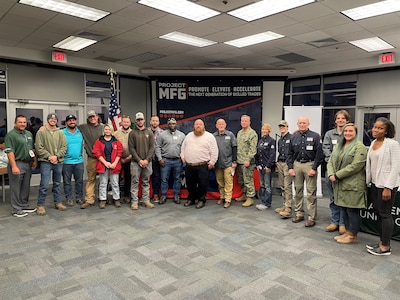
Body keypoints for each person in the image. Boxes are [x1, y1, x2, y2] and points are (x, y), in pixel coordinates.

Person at [327, 123, 367, 244]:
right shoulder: (339, 146)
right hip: (340, 184)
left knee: (352, 211)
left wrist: (337, 175)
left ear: (355, 133)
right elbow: (330, 162)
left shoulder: (359, 147)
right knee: (344, 208)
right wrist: (330, 174)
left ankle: (353, 235)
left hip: (352, 184)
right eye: (346, 131)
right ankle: (348, 233)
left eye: (351, 131)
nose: (348, 133)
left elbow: (356, 166)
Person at [365, 117, 400, 256]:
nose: (376, 130)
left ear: (386, 131)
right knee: (379, 213)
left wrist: (388, 187)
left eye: (380, 128)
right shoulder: (373, 142)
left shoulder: (392, 144)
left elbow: (396, 166)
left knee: (385, 215)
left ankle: (386, 247)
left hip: (386, 185)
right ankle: (381, 242)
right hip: (374, 184)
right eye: (375, 127)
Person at [287, 116, 324, 227]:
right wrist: (290, 167)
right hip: (297, 164)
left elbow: (319, 154)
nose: (302, 125)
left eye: (304, 123)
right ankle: (299, 213)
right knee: (297, 190)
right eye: (300, 123)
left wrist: (314, 168)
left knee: (311, 192)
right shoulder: (293, 137)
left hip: (310, 164)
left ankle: (311, 217)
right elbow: (289, 154)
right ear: (297, 124)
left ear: (308, 124)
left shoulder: (315, 136)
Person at [323, 110, 351, 233]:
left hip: (344, 171)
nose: (340, 120)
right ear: (335, 120)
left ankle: (342, 223)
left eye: (343, 119)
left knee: (343, 198)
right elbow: (326, 149)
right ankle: (334, 222)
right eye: (338, 118)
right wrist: (334, 163)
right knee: (333, 198)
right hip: (331, 170)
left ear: (347, 121)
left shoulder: (349, 134)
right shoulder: (329, 134)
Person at [181, 119, 218, 209]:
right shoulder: (189, 136)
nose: (198, 126)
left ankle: (201, 200)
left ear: (203, 126)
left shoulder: (209, 136)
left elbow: (214, 150)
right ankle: (191, 199)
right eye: (196, 124)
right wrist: (182, 156)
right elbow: (183, 147)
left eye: (200, 124)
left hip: (203, 165)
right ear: (193, 126)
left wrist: (212, 162)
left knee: (202, 184)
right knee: (190, 184)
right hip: (190, 165)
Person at [5, 115, 37, 217]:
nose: (23, 124)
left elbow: (32, 149)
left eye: (24, 122)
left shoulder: (28, 134)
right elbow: (10, 152)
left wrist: (35, 161)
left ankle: (24, 205)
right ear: (15, 123)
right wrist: (14, 166)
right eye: (20, 122)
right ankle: (16, 209)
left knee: (25, 186)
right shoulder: (11, 135)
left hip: (28, 163)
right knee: (16, 187)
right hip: (17, 162)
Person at [35, 113, 68, 216]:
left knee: (57, 184)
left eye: (55, 119)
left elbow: (64, 146)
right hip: (46, 162)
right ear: (48, 120)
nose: (53, 120)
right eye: (51, 119)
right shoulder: (41, 132)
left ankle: (58, 202)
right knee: (44, 184)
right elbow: (38, 147)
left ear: (56, 121)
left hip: (58, 161)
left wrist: (57, 156)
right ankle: (40, 205)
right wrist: (49, 156)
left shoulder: (60, 133)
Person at [92, 124, 123, 208]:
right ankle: (103, 199)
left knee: (115, 183)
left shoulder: (116, 141)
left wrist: (114, 163)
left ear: (112, 130)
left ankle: (116, 199)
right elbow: (96, 152)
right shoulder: (99, 141)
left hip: (114, 165)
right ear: (103, 130)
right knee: (103, 183)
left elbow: (120, 152)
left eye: (109, 129)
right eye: (106, 129)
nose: (107, 131)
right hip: (103, 164)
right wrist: (105, 162)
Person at [155, 118, 185, 205]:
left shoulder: (182, 135)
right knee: (164, 179)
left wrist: (182, 157)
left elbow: (184, 147)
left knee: (177, 179)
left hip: (177, 161)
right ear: (168, 125)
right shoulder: (162, 135)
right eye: (170, 124)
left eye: (174, 124)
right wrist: (160, 159)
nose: (172, 125)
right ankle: (163, 195)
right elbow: (157, 147)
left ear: (176, 124)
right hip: (165, 160)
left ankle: (176, 195)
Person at [128, 112, 155, 210]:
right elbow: (131, 148)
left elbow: (152, 147)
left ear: (144, 120)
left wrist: (147, 160)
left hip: (148, 162)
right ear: (136, 121)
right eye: (138, 120)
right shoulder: (132, 133)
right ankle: (134, 202)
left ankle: (146, 200)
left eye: (141, 119)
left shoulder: (149, 132)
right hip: (135, 162)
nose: (140, 121)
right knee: (134, 181)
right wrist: (139, 160)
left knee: (146, 181)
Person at [79, 110, 105, 209]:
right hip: (92, 158)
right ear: (88, 119)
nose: (92, 118)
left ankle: (103, 198)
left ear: (97, 116)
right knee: (91, 179)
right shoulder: (84, 127)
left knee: (104, 179)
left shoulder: (104, 128)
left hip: (103, 159)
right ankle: (89, 199)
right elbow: (70, 127)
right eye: (90, 117)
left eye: (93, 116)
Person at [213, 118, 237, 209]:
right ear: (216, 125)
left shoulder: (230, 135)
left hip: (228, 163)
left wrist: (234, 161)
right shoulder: (213, 136)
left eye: (222, 124)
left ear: (225, 125)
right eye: (219, 124)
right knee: (220, 182)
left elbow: (234, 148)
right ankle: (222, 197)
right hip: (218, 164)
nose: (221, 125)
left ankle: (227, 200)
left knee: (228, 182)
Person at [236, 115, 258, 207]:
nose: (244, 122)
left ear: (249, 122)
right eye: (242, 121)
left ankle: (250, 198)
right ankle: (244, 195)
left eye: (245, 121)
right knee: (241, 180)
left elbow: (253, 149)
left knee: (248, 180)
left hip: (247, 162)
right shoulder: (239, 133)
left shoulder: (252, 133)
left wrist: (248, 159)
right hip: (239, 161)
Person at [62, 114, 84, 206]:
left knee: (79, 181)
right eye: (70, 120)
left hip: (79, 161)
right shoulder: (62, 132)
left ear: (76, 121)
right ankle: (69, 198)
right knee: (67, 182)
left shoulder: (80, 131)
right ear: (66, 122)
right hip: (66, 162)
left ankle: (79, 197)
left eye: (73, 120)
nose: (72, 122)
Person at [275, 120, 293, 218]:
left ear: (287, 127)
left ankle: (288, 208)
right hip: (280, 163)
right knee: (282, 186)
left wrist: (291, 165)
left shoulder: (291, 138)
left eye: (283, 126)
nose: (282, 128)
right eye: (280, 126)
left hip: (287, 163)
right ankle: (284, 205)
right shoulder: (280, 140)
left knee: (287, 186)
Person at [255, 123, 276, 210]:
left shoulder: (271, 141)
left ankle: (267, 203)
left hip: (267, 167)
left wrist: (268, 166)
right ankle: (263, 202)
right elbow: (257, 154)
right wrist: (258, 164)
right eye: (263, 129)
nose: (264, 131)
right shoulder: (260, 141)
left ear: (269, 131)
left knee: (267, 185)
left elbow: (272, 155)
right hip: (261, 166)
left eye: (266, 129)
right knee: (262, 185)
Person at [115, 115, 132, 204]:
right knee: (116, 178)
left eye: (127, 122)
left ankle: (126, 195)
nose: (126, 123)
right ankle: (116, 196)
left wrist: (129, 157)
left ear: (130, 123)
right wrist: (119, 158)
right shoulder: (116, 134)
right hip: (118, 159)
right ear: (121, 122)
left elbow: (135, 147)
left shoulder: (133, 133)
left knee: (128, 178)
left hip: (129, 159)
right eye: (124, 122)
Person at [148, 115, 163, 203]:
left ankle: (155, 194)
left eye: (156, 121)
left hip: (157, 159)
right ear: (150, 122)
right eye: (153, 121)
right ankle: (145, 195)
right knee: (146, 177)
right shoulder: (145, 131)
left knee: (157, 177)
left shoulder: (162, 133)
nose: (154, 122)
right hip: (147, 158)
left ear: (159, 122)